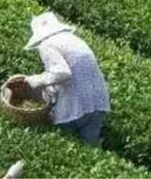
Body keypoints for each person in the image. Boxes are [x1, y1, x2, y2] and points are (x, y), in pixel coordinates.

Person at [24, 12, 110, 146]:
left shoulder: (46, 45)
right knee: (91, 149)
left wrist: (38, 80)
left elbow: (62, 72)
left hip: (75, 105)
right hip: (98, 100)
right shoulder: (72, 39)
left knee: (66, 144)